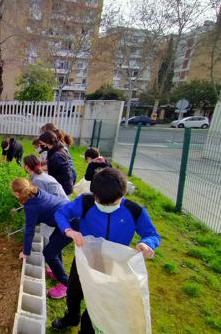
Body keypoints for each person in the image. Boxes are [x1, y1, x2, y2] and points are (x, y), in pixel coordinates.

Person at [52, 168, 160, 332]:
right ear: (94, 193)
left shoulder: (134, 211)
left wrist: (147, 244)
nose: (106, 207)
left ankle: (87, 329)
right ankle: (72, 317)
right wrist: (69, 231)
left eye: (112, 203)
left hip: (112, 264)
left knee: (99, 298)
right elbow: (61, 214)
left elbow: (152, 234)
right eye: (101, 203)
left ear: (122, 195)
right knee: (73, 291)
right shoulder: (85, 202)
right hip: (85, 258)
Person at [11, 178, 75, 299]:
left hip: (71, 224)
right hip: (69, 215)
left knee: (49, 253)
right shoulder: (36, 192)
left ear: (16, 193)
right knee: (53, 243)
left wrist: (25, 252)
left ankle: (66, 285)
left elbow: (29, 231)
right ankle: (57, 273)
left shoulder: (31, 206)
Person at [38, 131, 75, 196]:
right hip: (60, 185)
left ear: (47, 142)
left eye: (41, 142)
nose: (40, 144)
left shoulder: (57, 156)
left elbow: (63, 175)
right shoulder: (54, 149)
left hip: (63, 188)